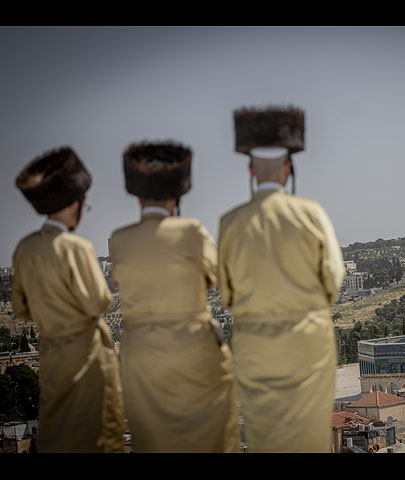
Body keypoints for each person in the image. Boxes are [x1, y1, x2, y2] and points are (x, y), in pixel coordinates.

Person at [217, 106, 345, 452]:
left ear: (250, 169)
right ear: (289, 168)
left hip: (254, 343)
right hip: (307, 341)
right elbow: (333, 278)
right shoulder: (311, 213)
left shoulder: (230, 222)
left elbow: (226, 293)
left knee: (264, 435)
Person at [109, 141, 240, 453]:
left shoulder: (119, 240)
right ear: (177, 195)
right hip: (192, 345)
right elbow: (219, 278)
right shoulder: (190, 230)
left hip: (140, 353)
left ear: (137, 195)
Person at [12, 146, 124, 453]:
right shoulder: (77, 248)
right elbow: (100, 301)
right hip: (88, 357)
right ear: (75, 205)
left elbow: (22, 309)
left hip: (51, 357)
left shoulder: (24, 249)